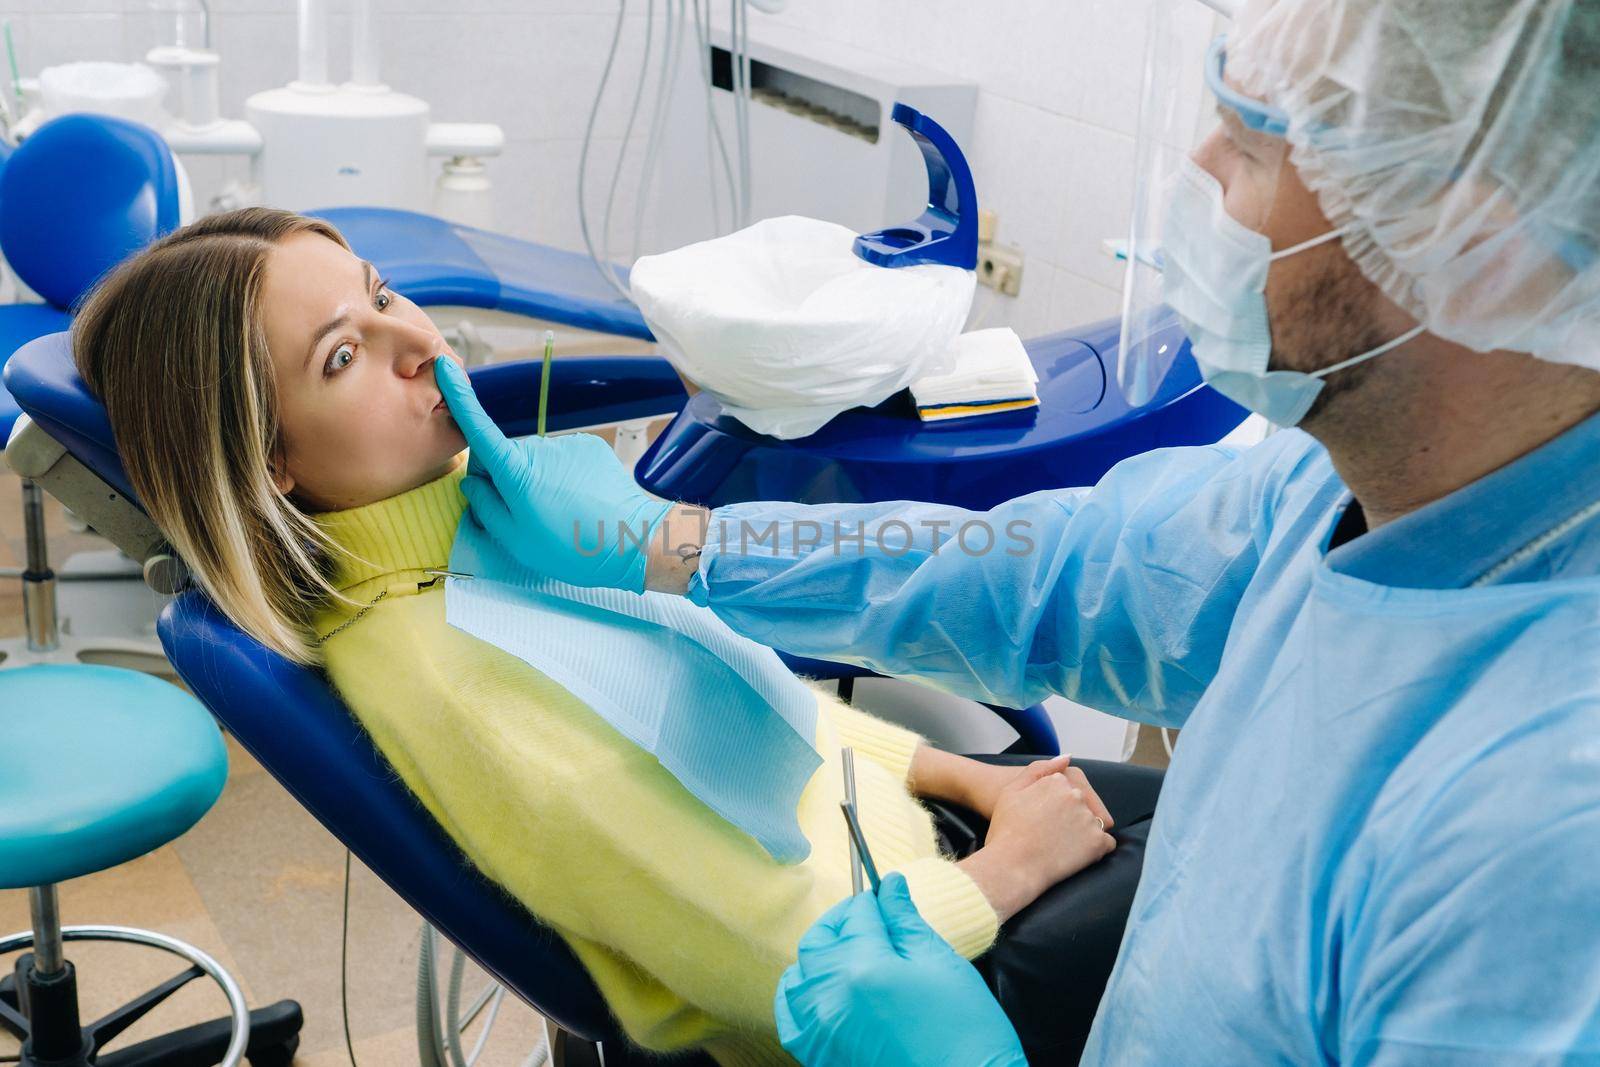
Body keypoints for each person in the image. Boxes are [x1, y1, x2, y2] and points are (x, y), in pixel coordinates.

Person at [436, 0, 1600, 1061]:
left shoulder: (1544, 845)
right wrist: (683, 545)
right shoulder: (1348, 485)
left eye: (1250, 143)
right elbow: (1060, 574)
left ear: (1476, 241)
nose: (1200, 165)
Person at [70, 207, 1155, 1065]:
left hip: (905, 852)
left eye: (384, 295)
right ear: (271, 466)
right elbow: (779, 972)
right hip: (896, 980)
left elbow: (753, 706)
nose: (420, 342)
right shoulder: (452, 683)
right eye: (343, 357)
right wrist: (1003, 872)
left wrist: (969, 776)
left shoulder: (494, 529)